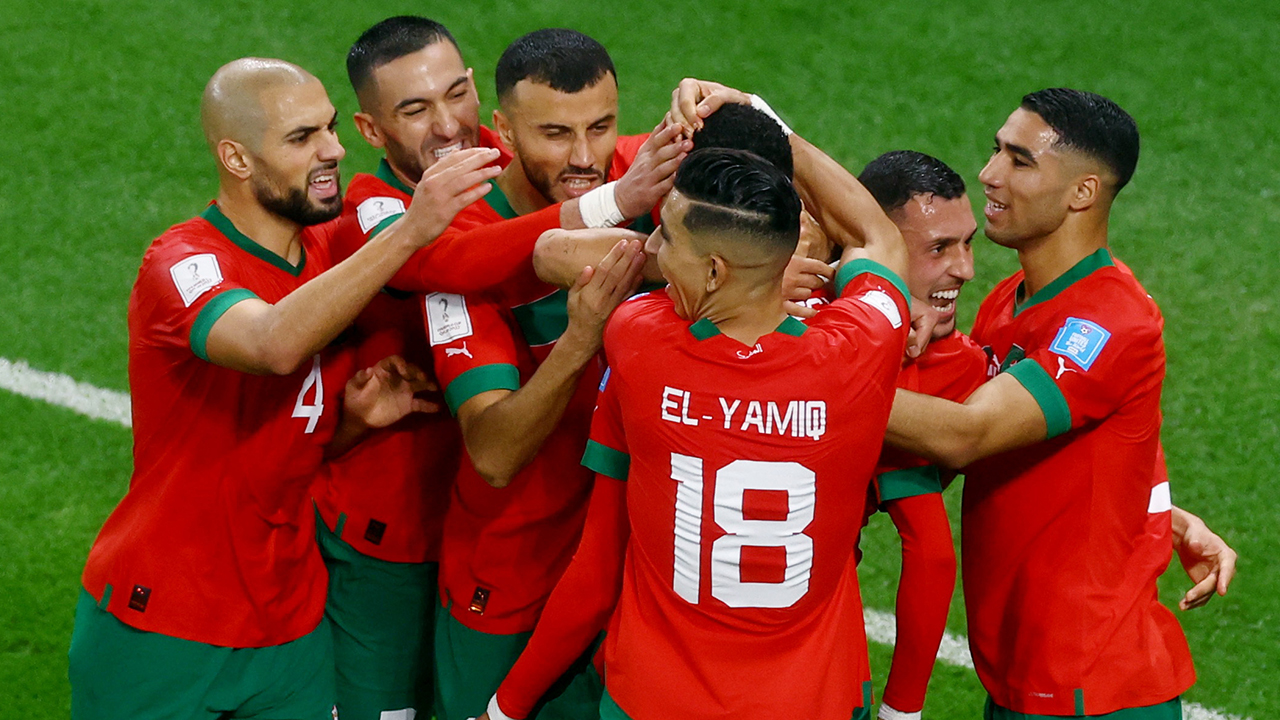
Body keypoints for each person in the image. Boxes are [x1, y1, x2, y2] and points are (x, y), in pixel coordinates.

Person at [67, 57, 502, 720]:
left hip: (289, 625)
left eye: (329, 128)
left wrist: (351, 424)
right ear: (237, 159)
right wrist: (411, 230)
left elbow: (275, 453)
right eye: (302, 138)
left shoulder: (328, 251)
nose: (332, 150)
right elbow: (271, 344)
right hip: (161, 626)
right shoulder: (182, 264)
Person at [880, 89, 1196, 718]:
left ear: (1083, 192)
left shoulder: (1110, 320)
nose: (989, 173)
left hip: (1093, 686)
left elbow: (965, 434)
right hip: (1024, 675)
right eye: (997, 150)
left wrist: (807, 381)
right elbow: (1114, 446)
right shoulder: (1008, 301)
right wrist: (1173, 519)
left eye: (1019, 160)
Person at [422, 29, 677, 720]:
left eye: (601, 125)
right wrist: (580, 339)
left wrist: (734, 104)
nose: (585, 157)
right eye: (556, 134)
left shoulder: (639, 172)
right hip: (512, 572)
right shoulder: (465, 245)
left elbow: (779, 203)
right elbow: (493, 453)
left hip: (633, 571)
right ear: (502, 129)